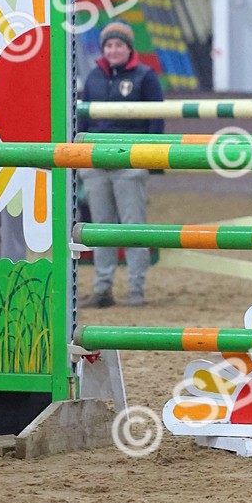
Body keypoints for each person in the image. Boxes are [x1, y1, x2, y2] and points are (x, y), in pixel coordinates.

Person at [77, 21, 164, 307]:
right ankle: (103, 289)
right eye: (109, 45)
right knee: (101, 228)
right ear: (104, 49)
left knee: (133, 228)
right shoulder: (92, 78)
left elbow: (156, 121)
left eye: (119, 45)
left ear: (129, 48)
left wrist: (150, 159)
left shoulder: (146, 77)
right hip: (96, 161)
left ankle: (136, 290)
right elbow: (84, 122)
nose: (113, 50)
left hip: (131, 160)